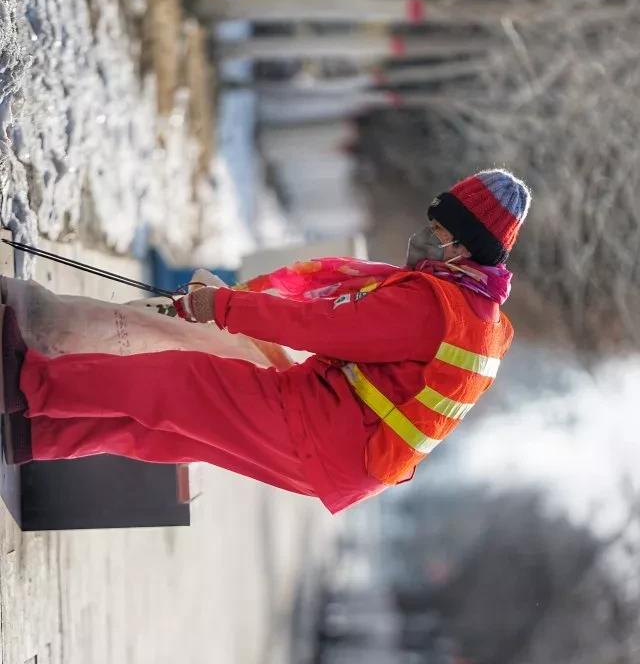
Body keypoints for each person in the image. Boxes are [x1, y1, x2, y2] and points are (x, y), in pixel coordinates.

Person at [0, 168, 531, 515]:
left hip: (322, 429)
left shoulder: (433, 309)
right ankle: (35, 436)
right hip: (343, 455)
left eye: (438, 230)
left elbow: (319, 327)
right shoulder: (482, 323)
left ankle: (24, 383)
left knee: (174, 382)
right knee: (176, 432)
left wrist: (222, 307)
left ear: (465, 248)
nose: (424, 235)